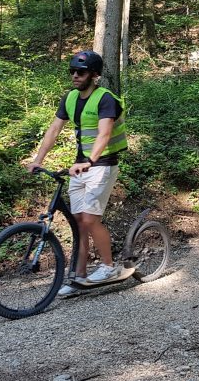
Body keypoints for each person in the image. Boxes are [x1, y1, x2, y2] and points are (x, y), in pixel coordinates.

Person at [27, 50, 128, 297]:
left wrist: (90, 161)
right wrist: (38, 160)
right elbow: (54, 130)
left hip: (102, 165)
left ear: (94, 75)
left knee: (90, 220)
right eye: (72, 71)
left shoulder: (105, 99)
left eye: (81, 72)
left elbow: (104, 134)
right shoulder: (70, 98)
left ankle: (109, 267)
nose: (75, 75)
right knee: (79, 224)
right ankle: (78, 278)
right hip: (79, 167)